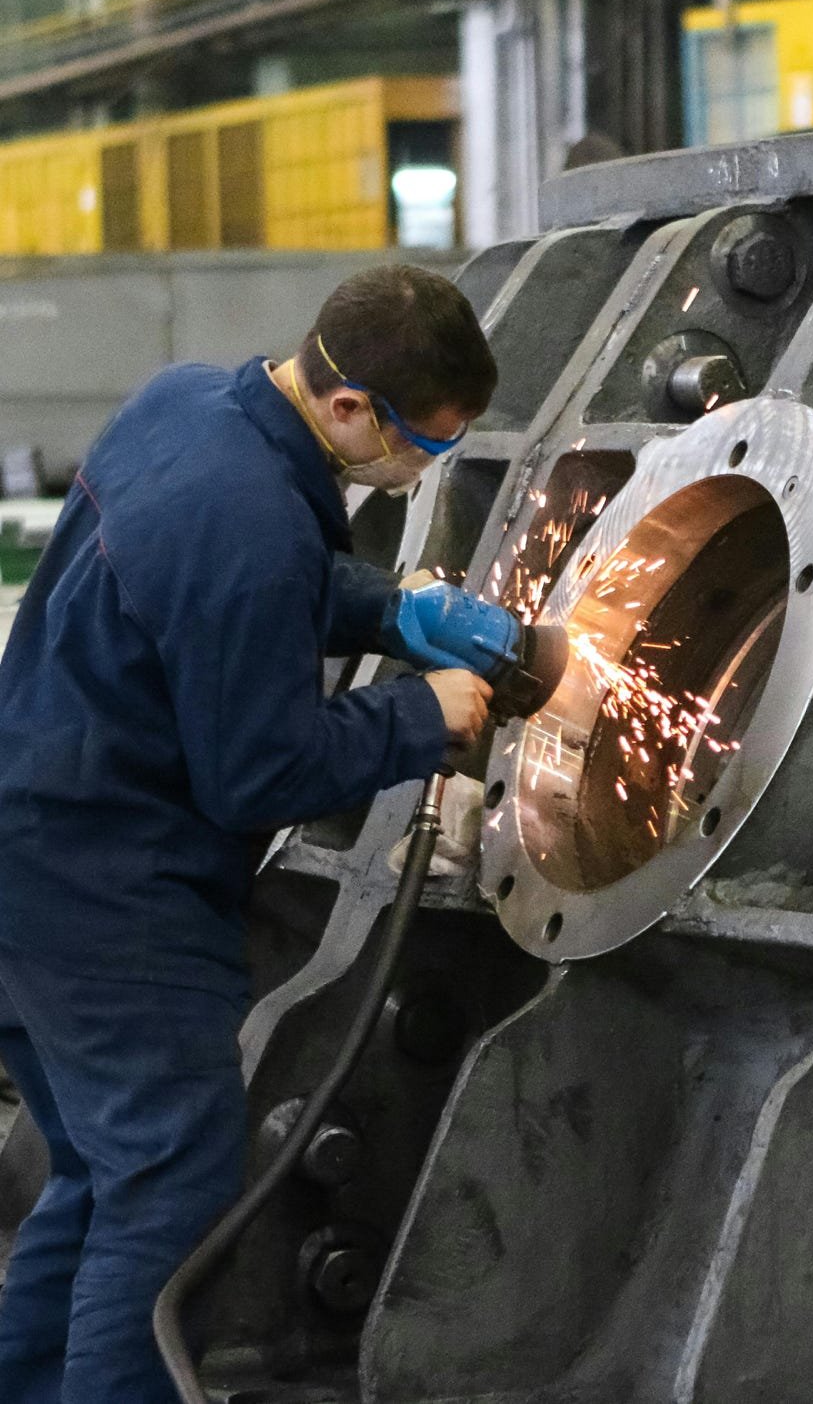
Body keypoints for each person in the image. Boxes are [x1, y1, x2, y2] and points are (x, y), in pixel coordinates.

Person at [0, 263, 498, 1403]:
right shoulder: (252, 520)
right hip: (109, 890)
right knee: (168, 1182)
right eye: (422, 445)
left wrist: (389, 608)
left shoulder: (188, 403)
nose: (420, 468)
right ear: (347, 409)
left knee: (92, 1169)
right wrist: (415, 715)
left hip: (27, 841)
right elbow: (256, 774)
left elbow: (226, 588)